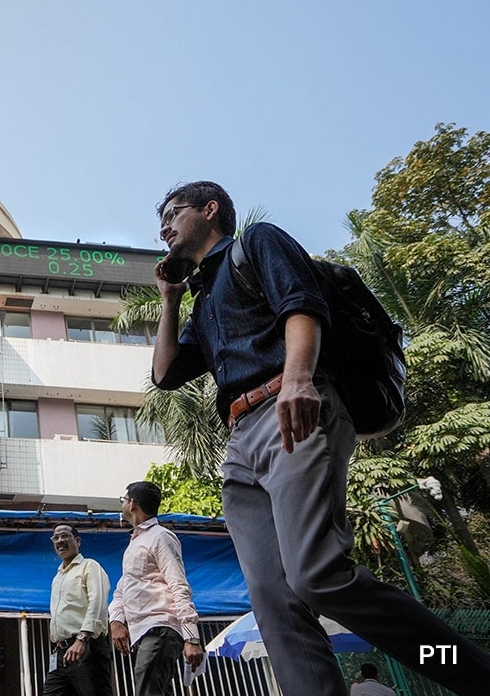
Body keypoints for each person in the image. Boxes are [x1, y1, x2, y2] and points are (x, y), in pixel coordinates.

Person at [151, 180, 490, 696]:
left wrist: (298, 378)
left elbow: (302, 304)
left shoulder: (256, 242)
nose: (164, 228)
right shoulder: (203, 299)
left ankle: (472, 671)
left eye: (173, 213)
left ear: (210, 209)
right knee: (274, 601)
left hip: (289, 410)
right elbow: (166, 374)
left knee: (316, 575)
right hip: (240, 442)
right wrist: (170, 299)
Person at [108, 481, 203, 696]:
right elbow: (123, 588)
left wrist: (191, 638)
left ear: (132, 504)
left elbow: (179, 585)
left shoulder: (161, 536)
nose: (122, 505)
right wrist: (116, 620)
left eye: (123, 500)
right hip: (143, 633)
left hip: (159, 628)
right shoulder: (135, 542)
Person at [44, 523, 112, 696]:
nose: (60, 540)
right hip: (61, 652)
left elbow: (98, 603)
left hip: (86, 646)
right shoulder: (57, 577)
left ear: (78, 541)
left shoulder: (89, 566)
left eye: (65, 536)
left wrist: (82, 639)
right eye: (56, 537)